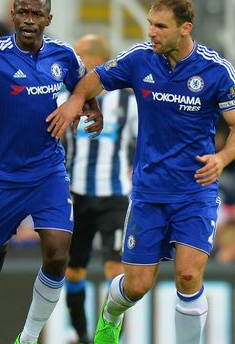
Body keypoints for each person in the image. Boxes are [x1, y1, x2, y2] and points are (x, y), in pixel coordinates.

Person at [47, 0, 235, 344]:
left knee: (188, 277)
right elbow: (94, 78)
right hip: (148, 192)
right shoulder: (140, 59)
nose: (152, 32)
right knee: (138, 286)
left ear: (185, 28)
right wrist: (84, 101)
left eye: (160, 26)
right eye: (150, 24)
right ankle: (111, 312)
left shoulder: (217, 71)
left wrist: (222, 158)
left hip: (195, 191)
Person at [0, 0, 100, 344]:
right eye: (23, 13)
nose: (29, 20)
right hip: (3, 177)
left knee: (59, 253)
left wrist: (89, 108)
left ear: (48, 19)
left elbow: (85, 87)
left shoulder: (64, 56)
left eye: (36, 14)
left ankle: (28, 338)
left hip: (48, 172)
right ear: (13, 16)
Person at [61, 35, 137, 344]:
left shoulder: (126, 103)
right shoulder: (68, 98)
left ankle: (109, 337)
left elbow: (141, 142)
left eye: (81, 56)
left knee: (116, 272)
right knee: (74, 270)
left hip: (114, 196)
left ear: (97, 60)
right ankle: (81, 335)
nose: (75, 63)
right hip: (77, 195)